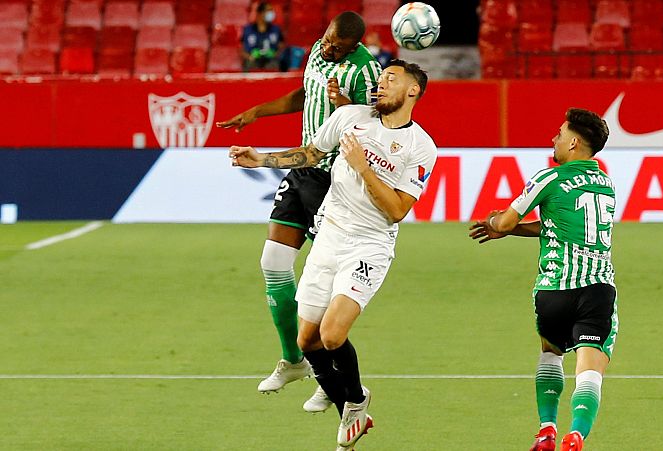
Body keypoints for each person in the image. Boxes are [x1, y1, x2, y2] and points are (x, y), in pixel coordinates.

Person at [229, 59, 436, 451]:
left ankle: (356, 400)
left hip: (370, 244)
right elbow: (310, 153)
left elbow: (396, 210)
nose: (381, 83)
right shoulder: (350, 116)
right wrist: (263, 159)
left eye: (391, 79)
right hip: (329, 236)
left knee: (332, 333)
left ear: (413, 91)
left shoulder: (421, 147)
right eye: (380, 78)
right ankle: (354, 408)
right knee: (307, 341)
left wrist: (362, 168)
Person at [217, 11, 382, 413]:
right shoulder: (316, 51)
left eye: (337, 47)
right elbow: (303, 96)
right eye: (327, 40)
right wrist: (258, 111)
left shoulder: (367, 71)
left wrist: (347, 108)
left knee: (322, 283)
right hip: (302, 169)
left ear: (353, 47)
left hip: (335, 182)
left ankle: (329, 378)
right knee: (272, 260)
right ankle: (293, 361)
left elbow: (378, 123)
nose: (328, 48)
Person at [469, 108, 618, 451]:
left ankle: (547, 429)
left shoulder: (548, 178)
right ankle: (576, 435)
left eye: (560, 133)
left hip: (554, 291)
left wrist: (495, 225)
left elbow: (505, 222)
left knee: (551, 355)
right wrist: (510, 229)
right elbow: (563, 225)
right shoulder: (605, 184)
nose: (554, 139)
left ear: (575, 142)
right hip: (596, 288)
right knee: (590, 368)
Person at [240, 2, 285, 72]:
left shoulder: (276, 30)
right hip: (253, 61)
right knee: (248, 65)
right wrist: (249, 57)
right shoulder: (248, 30)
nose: (271, 13)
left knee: (276, 64)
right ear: (260, 13)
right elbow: (241, 49)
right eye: (268, 11)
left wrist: (275, 54)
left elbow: (282, 47)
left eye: (271, 11)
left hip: (270, 61)